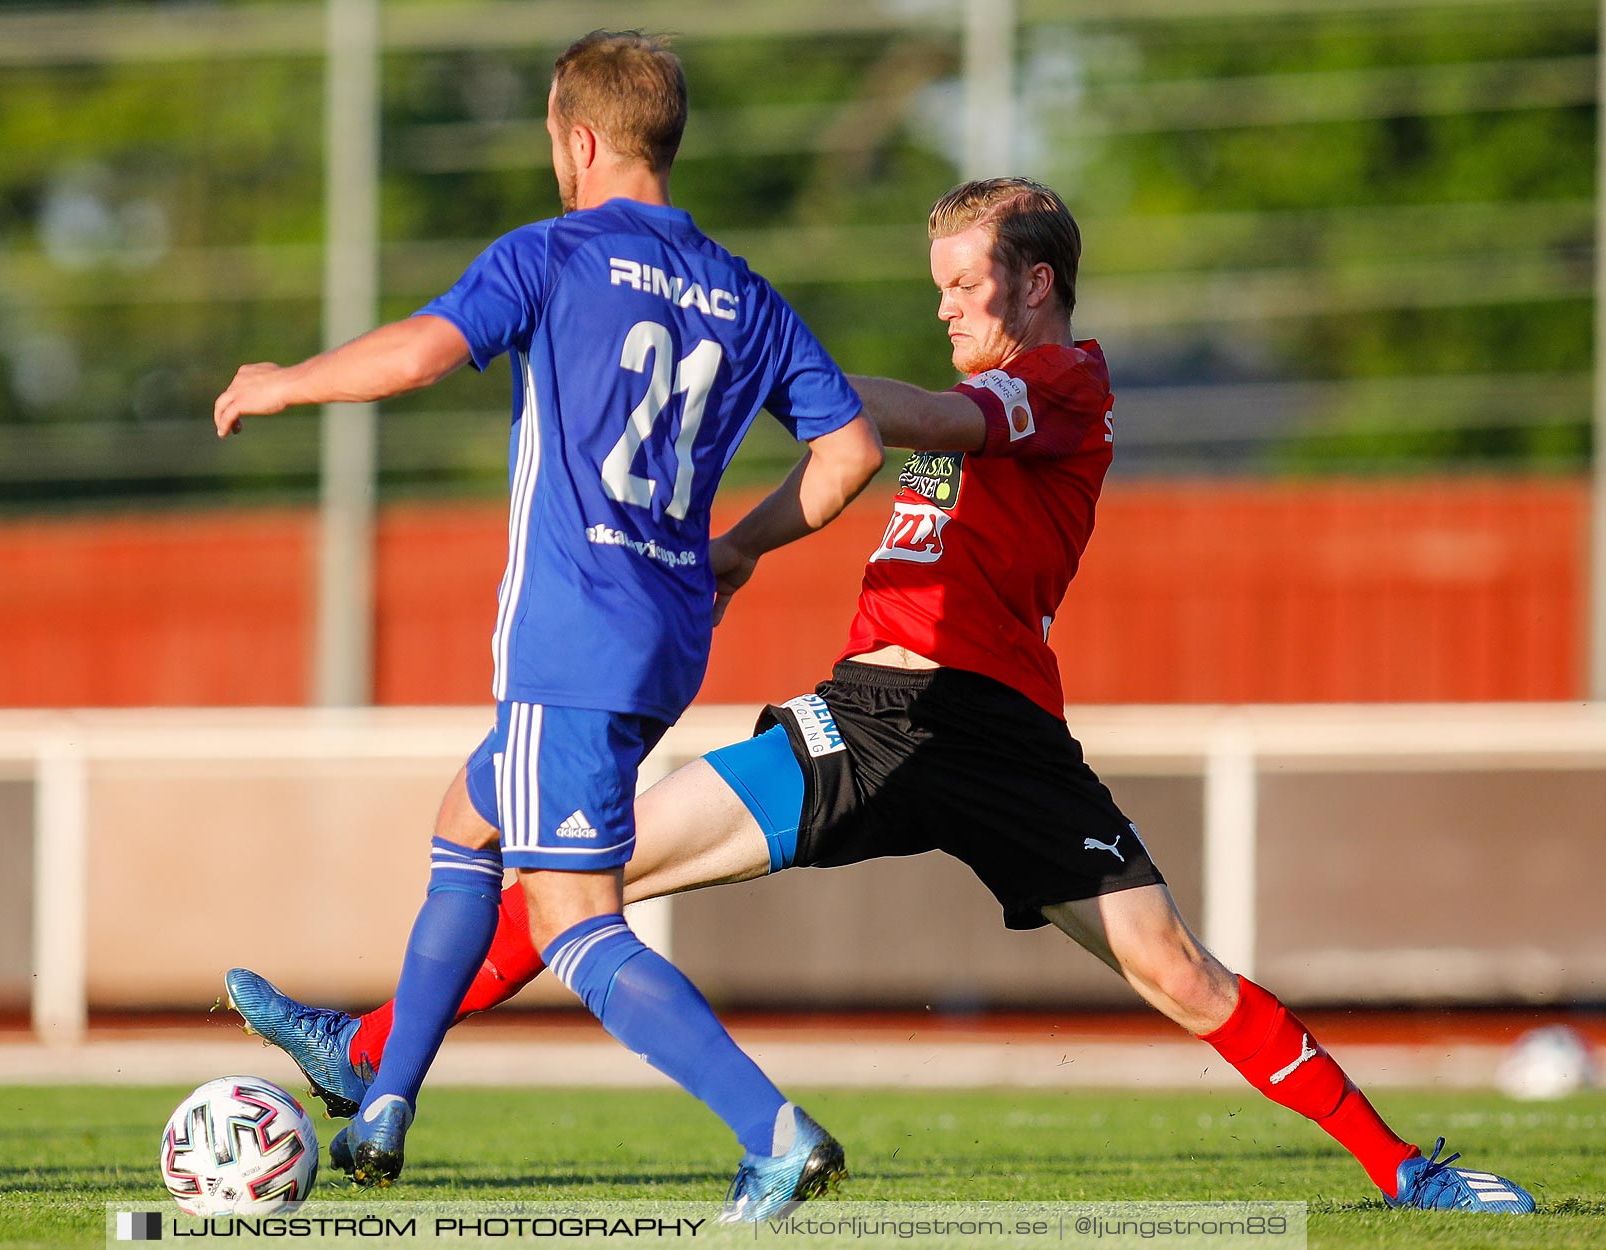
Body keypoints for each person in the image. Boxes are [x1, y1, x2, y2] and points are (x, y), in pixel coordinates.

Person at [227, 178, 1537, 1215]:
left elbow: (914, 419)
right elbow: (855, 467)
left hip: (1011, 738)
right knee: (590, 873)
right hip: (875, 719)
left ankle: (1403, 1165)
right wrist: (738, 545)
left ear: (1036, 281)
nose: (950, 309)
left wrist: (773, 371)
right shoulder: (988, 389)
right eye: (939, 289)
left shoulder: (1062, 384)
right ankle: (367, 1049)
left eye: (966, 286)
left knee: (1173, 968)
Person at [213, 30, 883, 1221]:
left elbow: (421, 353)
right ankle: (381, 1088)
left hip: (574, 633)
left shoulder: (554, 253)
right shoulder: (746, 292)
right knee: (467, 818)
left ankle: (773, 1129)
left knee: (574, 921)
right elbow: (852, 453)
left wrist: (282, 380)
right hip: (667, 634)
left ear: (579, 140)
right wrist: (737, 546)